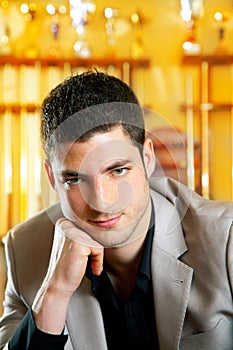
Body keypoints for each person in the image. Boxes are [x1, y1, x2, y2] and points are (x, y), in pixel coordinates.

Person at [0, 70, 232, 350]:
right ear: (51, 177)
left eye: (118, 170)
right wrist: (55, 291)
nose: (101, 202)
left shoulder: (226, 239)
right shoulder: (23, 249)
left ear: (147, 159)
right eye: (74, 179)